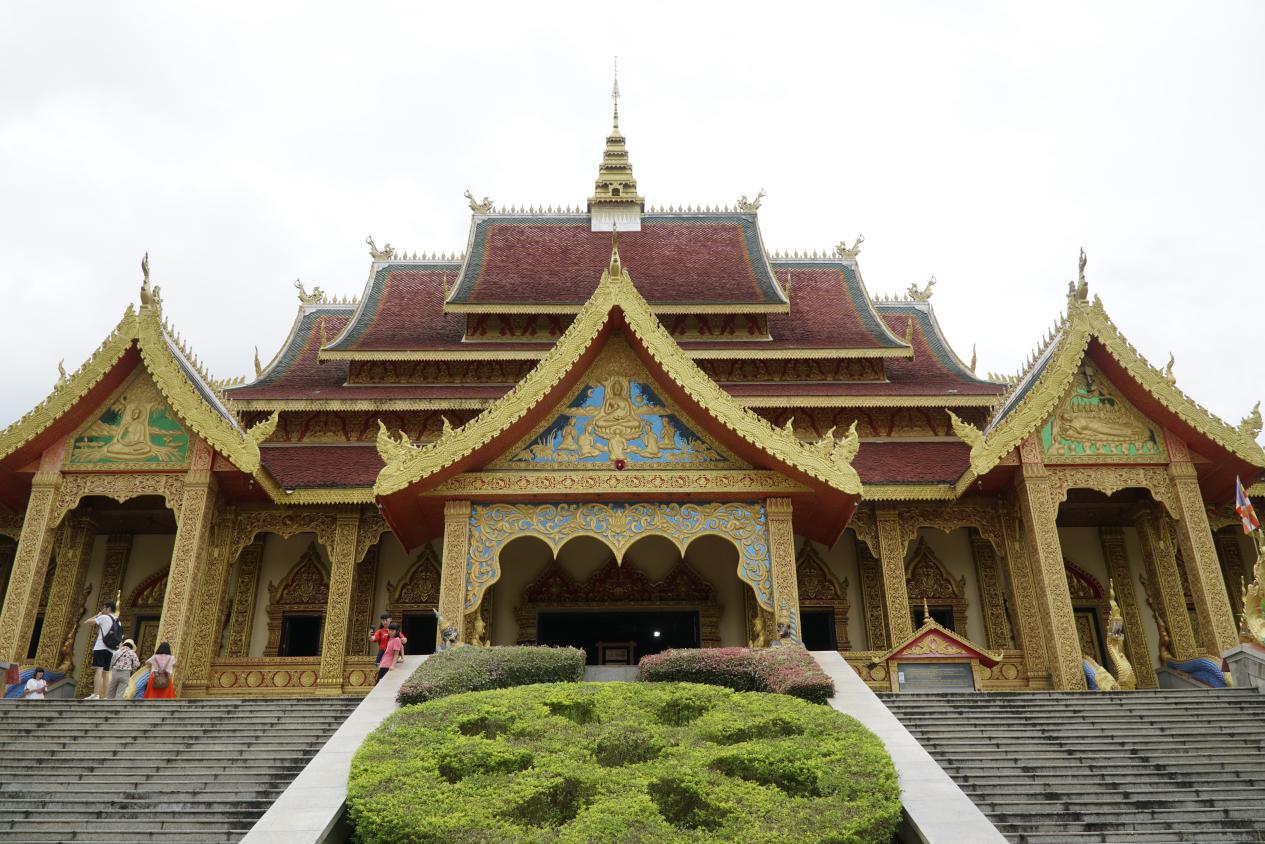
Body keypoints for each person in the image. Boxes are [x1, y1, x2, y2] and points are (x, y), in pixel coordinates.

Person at [82, 601, 119, 700]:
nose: (103, 610)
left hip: (101, 647)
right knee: (106, 673)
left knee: (99, 670)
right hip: (111, 650)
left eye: (104, 608)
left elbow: (87, 622)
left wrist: (98, 615)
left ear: (108, 609)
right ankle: (106, 696)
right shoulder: (118, 621)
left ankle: (96, 694)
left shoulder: (104, 617)